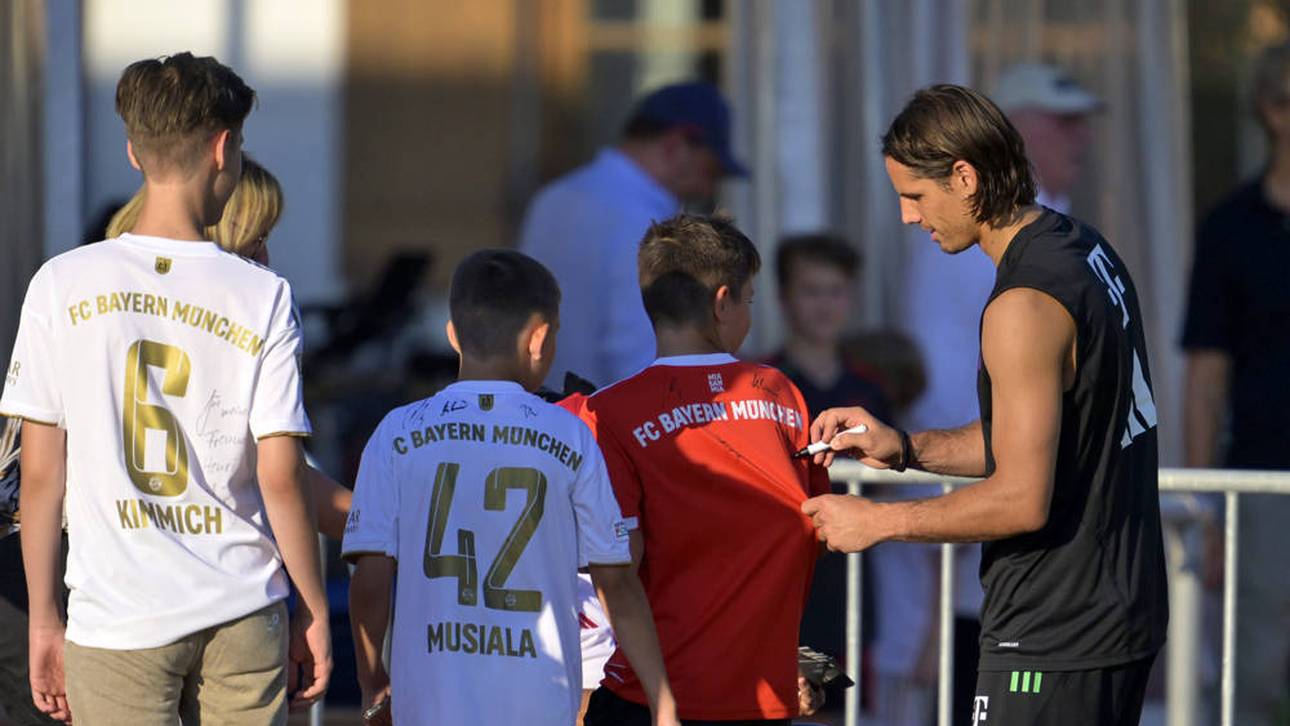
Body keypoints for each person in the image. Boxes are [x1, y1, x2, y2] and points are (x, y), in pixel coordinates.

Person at [803, 85, 1167, 726]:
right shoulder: (1081, 245)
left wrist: (879, 524)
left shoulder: (1023, 305)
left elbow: (1022, 497)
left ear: (964, 177)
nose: (909, 218)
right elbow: (1035, 435)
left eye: (915, 196)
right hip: (1110, 613)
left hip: (1054, 629)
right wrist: (906, 448)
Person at [1, 53, 331, 724]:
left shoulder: (60, 284)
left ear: (132, 151)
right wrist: (314, 606)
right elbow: (278, 474)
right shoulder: (262, 294)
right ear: (221, 148)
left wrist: (43, 619)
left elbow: (40, 476)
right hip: (241, 606)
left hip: (115, 613)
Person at [342, 249, 678, 726]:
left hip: (429, 705)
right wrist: (662, 701)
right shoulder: (570, 435)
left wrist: (373, 680)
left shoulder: (397, 432)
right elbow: (617, 584)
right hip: (539, 703)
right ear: (539, 340)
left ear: (453, 335)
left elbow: (371, 578)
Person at [896, 62, 1103, 725]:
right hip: (999, 556)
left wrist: (880, 519)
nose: (1081, 140)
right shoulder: (989, 239)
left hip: (1033, 555)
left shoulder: (1044, 246)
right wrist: (912, 456)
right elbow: (944, 371)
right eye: (1063, 124)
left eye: (1080, 125)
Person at [574, 214, 828, 724]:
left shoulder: (608, 412)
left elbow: (618, 565)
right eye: (750, 300)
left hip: (648, 696)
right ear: (721, 302)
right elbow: (811, 527)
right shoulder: (779, 393)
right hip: (757, 696)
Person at [106, 157, 353, 539]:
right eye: (258, 240)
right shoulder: (248, 313)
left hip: (96, 570)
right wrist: (380, 526)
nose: (267, 259)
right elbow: (280, 476)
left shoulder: (93, 293)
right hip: (214, 573)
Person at [1182, 42, 1290, 723]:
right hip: (1261, 482)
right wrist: (1204, 511)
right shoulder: (1229, 228)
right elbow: (1205, 375)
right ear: (1273, 110)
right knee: (1250, 671)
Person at [519, 81, 747, 389]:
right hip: (618, 423)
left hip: (546, 417)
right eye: (710, 171)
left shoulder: (552, 198)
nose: (708, 189)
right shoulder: (649, 225)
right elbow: (640, 351)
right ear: (675, 146)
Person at [764, 233, 890, 714]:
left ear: (853, 297)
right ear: (783, 298)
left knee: (842, 710)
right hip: (780, 588)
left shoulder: (871, 391)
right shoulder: (761, 384)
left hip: (849, 588)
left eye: (834, 291)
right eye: (810, 291)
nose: (823, 305)